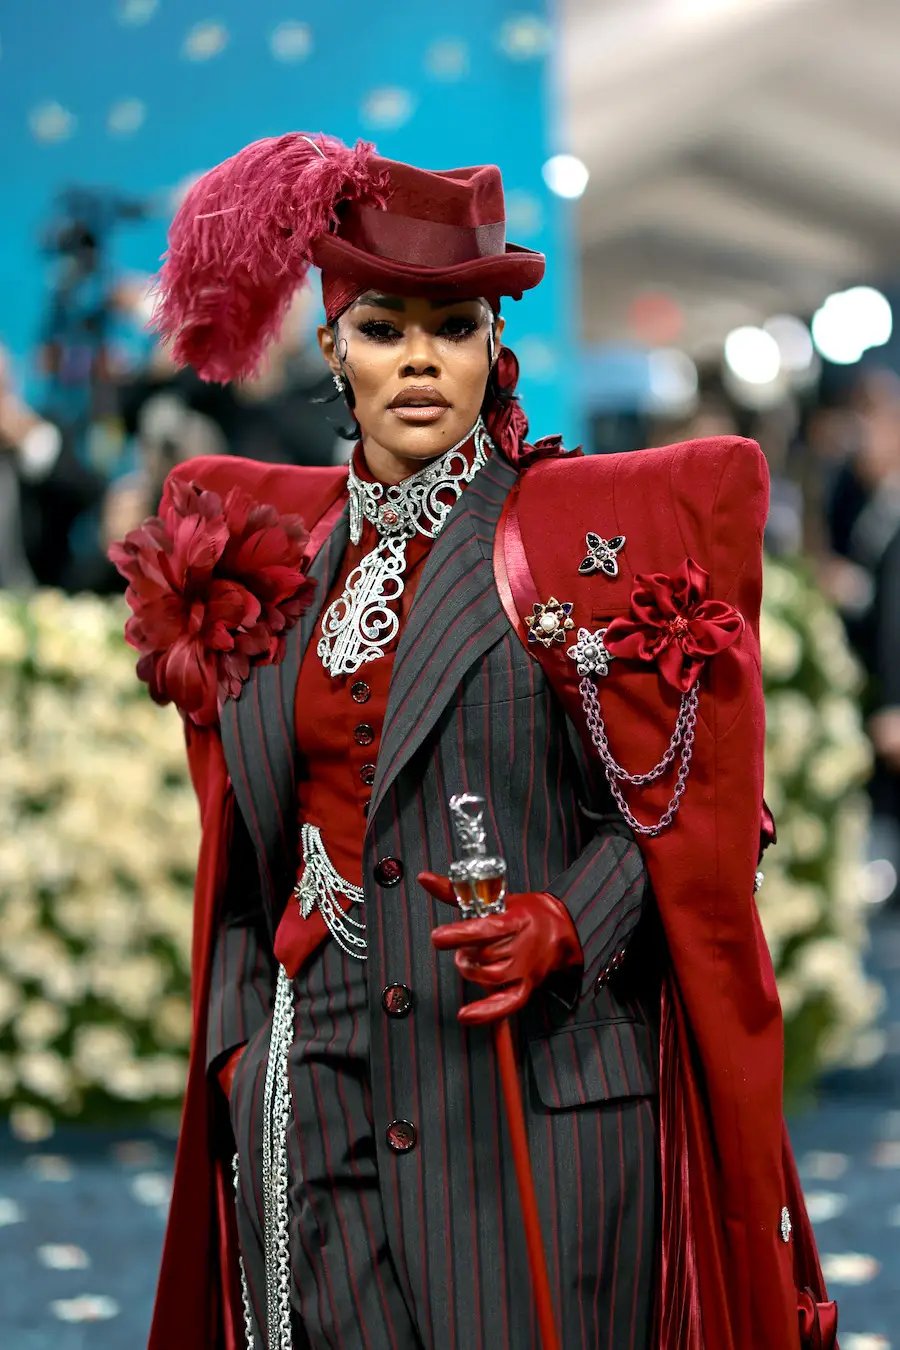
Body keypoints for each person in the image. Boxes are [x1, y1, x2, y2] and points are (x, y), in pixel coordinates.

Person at [111, 134, 835, 1350]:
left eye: (453, 329)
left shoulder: (565, 541)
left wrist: (570, 924)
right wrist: (247, 1047)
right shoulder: (276, 564)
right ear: (332, 345)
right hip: (316, 1083)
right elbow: (246, 834)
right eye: (386, 327)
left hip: (527, 1091)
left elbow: (694, 803)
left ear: (495, 347)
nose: (419, 363)